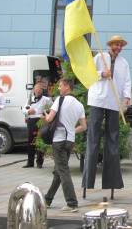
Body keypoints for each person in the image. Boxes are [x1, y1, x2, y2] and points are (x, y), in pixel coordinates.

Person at [82, 35, 131, 192]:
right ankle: (88, 181)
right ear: (111, 45)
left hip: (113, 100)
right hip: (97, 98)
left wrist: (127, 96)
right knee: (93, 138)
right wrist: (102, 74)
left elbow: (127, 81)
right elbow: (89, 74)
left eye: (121, 45)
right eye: (117, 44)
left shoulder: (123, 63)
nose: (119, 47)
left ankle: (111, 181)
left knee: (112, 139)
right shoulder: (99, 57)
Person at [43, 78, 87, 212]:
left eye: (61, 86)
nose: (59, 88)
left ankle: (72, 203)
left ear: (67, 87)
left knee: (63, 172)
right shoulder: (79, 105)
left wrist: (45, 115)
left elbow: (50, 119)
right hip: (69, 141)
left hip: (58, 140)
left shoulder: (60, 100)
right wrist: (71, 131)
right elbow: (84, 126)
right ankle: (47, 199)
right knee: (59, 170)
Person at [21, 83, 53, 168]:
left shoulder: (46, 99)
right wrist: (28, 111)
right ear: (34, 90)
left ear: (42, 90)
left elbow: (52, 108)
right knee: (31, 141)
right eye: (36, 89)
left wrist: (45, 112)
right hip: (31, 120)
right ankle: (30, 162)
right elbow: (23, 109)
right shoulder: (30, 100)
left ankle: (39, 162)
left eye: (39, 89)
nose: (38, 91)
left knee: (40, 141)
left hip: (40, 120)